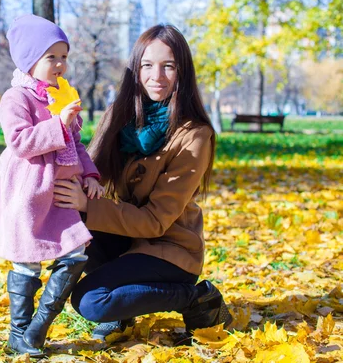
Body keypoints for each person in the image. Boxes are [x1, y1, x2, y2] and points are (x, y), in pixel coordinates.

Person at [53, 24, 233, 345]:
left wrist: (87, 205)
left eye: (169, 66)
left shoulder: (194, 135)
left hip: (170, 250)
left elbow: (155, 221)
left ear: (182, 72)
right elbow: (85, 175)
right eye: (147, 65)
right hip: (124, 239)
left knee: (91, 300)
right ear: (135, 70)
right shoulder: (117, 116)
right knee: (71, 220)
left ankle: (196, 298)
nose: (157, 76)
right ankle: (123, 309)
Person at [0, 14, 104, 356]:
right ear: (30, 60)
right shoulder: (16, 98)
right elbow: (19, 142)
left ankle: (37, 329)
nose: (60, 64)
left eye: (64, 56)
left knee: (76, 252)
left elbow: (76, 143)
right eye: (52, 57)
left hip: (61, 191)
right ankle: (18, 334)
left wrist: (91, 174)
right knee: (27, 260)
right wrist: (58, 124)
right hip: (29, 191)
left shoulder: (63, 95)